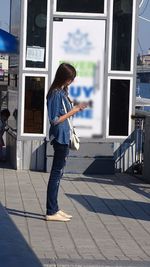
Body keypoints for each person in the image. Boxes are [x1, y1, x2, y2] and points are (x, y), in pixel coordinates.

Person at [46, 63, 87, 222]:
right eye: (71, 78)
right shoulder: (56, 94)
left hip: (64, 136)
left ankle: (54, 208)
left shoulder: (61, 92)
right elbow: (54, 120)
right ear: (65, 78)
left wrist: (75, 108)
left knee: (58, 173)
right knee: (56, 174)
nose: (71, 81)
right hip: (60, 137)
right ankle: (51, 211)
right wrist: (74, 110)